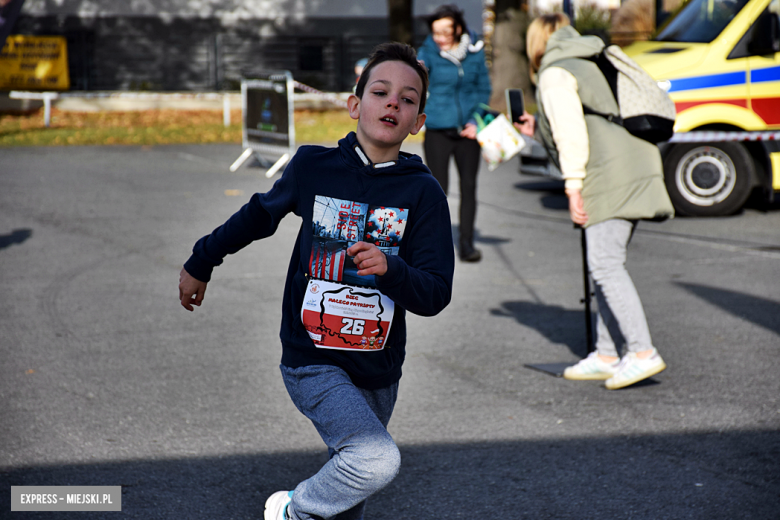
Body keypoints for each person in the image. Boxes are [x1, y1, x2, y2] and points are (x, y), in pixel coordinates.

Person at [178, 43, 454, 519]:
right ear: (354, 104)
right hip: (312, 359)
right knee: (374, 459)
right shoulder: (313, 167)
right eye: (381, 91)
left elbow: (435, 293)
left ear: (419, 121)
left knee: (348, 484)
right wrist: (202, 259)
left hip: (378, 368)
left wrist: (392, 269)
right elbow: (257, 216)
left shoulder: (423, 193)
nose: (393, 103)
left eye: (408, 100)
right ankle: (291, 510)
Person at [516, 14, 674, 390]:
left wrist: (572, 187)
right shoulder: (590, 59)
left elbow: (572, 135)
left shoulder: (555, 71)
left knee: (604, 265)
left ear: (536, 43)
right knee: (604, 264)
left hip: (609, 174)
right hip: (634, 163)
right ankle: (606, 354)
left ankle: (641, 352)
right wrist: (536, 128)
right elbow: (595, 118)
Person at [418, 4, 492, 262]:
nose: (440, 38)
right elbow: (416, 81)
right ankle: (434, 248)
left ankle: (467, 244)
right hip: (438, 130)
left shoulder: (475, 51)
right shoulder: (427, 53)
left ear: (458, 29)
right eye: (436, 33)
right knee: (438, 191)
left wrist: (477, 121)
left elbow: (484, 89)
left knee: (469, 188)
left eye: (445, 33)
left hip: (468, 133)